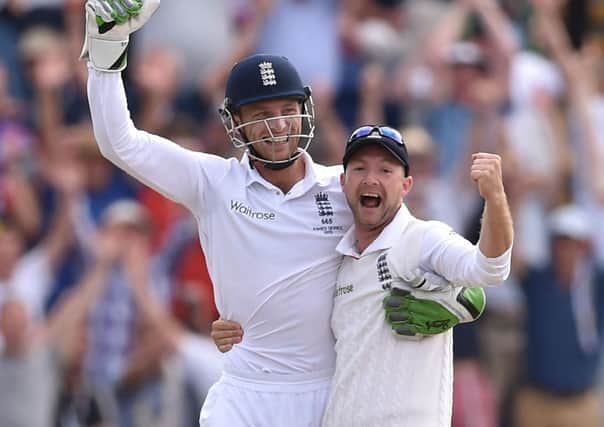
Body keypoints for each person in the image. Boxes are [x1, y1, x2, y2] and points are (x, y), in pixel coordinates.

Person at [80, 1, 489, 425]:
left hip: (330, 393)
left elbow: (418, 244)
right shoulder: (212, 183)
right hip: (245, 391)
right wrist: (107, 51)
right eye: (260, 115)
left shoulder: (344, 186)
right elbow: (119, 142)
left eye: (286, 111)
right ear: (233, 121)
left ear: (304, 111)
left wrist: (460, 296)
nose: (277, 126)